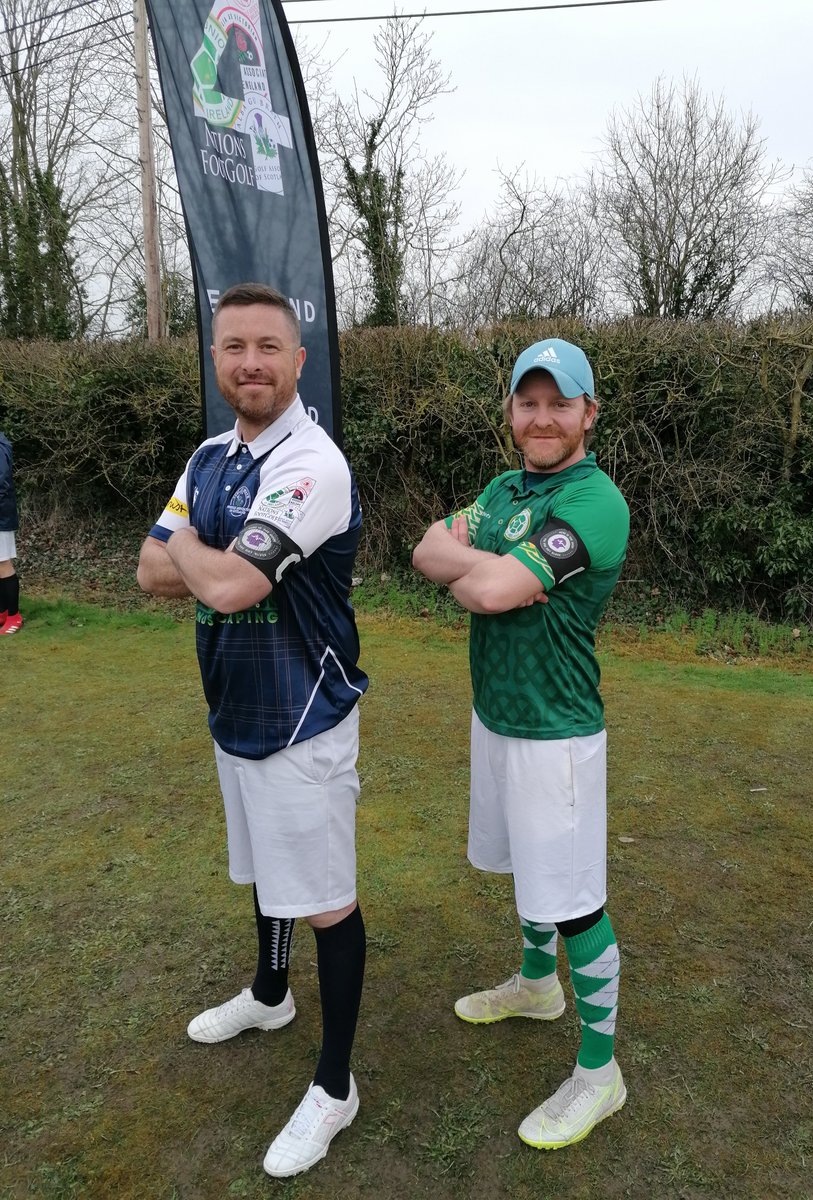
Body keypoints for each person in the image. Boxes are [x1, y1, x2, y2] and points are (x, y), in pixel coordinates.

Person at [137, 283, 367, 1178]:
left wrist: (194, 554)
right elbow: (148, 571)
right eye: (234, 347)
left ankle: (335, 1087)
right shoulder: (207, 455)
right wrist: (202, 558)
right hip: (234, 705)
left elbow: (228, 586)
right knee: (265, 869)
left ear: (298, 360)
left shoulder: (312, 463)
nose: (250, 363)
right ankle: (271, 994)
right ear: (216, 357)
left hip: (303, 714)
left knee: (323, 896)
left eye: (268, 347)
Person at [412, 338, 630, 1151]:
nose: (542, 417)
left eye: (558, 403)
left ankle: (600, 1073)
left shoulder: (597, 500)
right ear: (511, 411)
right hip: (495, 715)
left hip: (557, 732)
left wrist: (477, 570)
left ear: (587, 413)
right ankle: (539, 986)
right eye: (527, 402)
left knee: (575, 902)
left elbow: (490, 586)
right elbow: (424, 550)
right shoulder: (505, 489)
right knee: (526, 875)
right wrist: (480, 569)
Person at [0, 431, 22, 636]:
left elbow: (2, 481)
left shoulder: (0, 445)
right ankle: (3, 611)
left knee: (3, 563)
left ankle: (14, 616)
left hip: (0, 516)